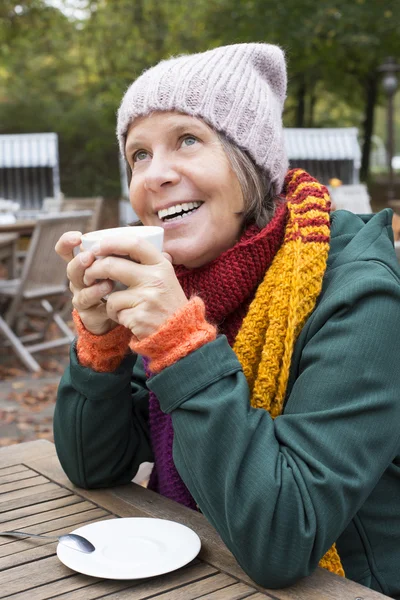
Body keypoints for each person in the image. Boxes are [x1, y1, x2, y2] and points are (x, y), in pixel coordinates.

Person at [54, 43, 400, 596]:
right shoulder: (189, 279)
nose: (155, 175)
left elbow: (283, 538)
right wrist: (101, 343)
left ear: (251, 161)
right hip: (198, 567)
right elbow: (97, 468)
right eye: (138, 154)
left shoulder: (359, 292)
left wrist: (182, 347)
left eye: (187, 139)